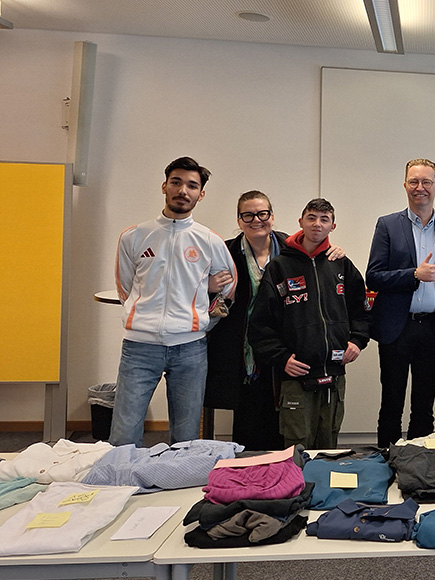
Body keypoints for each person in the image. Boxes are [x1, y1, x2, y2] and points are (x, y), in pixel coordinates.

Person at [110, 157, 238, 447]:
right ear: (164, 186)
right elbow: (125, 287)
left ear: (201, 194)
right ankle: (121, 477)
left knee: (186, 437)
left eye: (192, 186)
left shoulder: (209, 240)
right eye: (176, 182)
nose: (183, 191)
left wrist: (203, 314)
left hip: (190, 349)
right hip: (139, 348)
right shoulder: (134, 236)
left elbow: (228, 287)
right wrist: (141, 315)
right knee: (124, 435)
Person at [204, 191, 347, 450]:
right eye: (248, 215)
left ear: (272, 216)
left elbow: (317, 259)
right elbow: (196, 291)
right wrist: (209, 286)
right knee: (249, 418)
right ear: (239, 220)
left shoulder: (292, 249)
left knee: (285, 420)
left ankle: (284, 470)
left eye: (262, 213)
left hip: (285, 348)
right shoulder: (225, 252)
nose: (256, 220)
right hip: (244, 349)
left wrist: (334, 249)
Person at [248, 198, 370, 448]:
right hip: (296, 376)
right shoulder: (280, 267)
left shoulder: (341, 264)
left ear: (332, 226)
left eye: (324, 219)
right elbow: (259, 324)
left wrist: (357, 341)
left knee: (328, 445)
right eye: (311, 218)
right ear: (301, 222)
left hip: (334, 373)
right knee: (297, 447)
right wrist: (282, 358)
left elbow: (363, 310)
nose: (317, 224)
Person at [366, 159, 435, 448]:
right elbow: (373, 276)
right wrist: (413, 275)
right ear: (405, 185)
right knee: (391, 404)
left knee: (424, 408)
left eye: (426, 182)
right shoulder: (387, 225)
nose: (420, 187)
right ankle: (387, 462)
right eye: (414, 182)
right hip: (396, 329)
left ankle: (419, 465)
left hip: (434, 330)